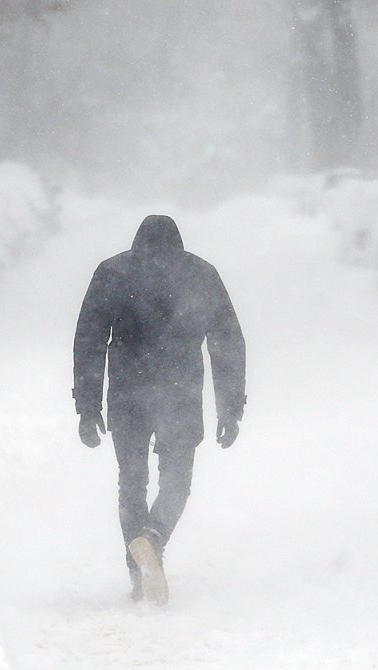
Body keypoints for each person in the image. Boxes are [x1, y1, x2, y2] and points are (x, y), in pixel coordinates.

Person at [72, 214, 246, 605]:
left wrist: (87, 407)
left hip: (127, 393)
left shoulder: (113, 273)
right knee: (177, 483)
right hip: (180, 392)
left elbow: (89, 341)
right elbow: (226, 342)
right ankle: (153, 537)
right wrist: (230, 408)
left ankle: (138, 573)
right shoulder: (201, 274)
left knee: (131, 483)